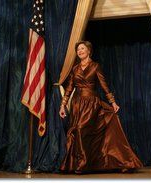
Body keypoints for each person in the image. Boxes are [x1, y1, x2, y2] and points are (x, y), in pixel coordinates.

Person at [59, 40, 143, 173]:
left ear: (88, 51)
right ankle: (84, 164)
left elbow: (104, 85)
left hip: (92, 104)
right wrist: (63, 105)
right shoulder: (74, 69)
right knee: (79, 132)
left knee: (81, 129)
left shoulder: (95, 66)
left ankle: (84, 163)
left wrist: (113, 102)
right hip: (77, 105)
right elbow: (69, 88)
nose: (79, 51)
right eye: (78, 50)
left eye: (82, 48)